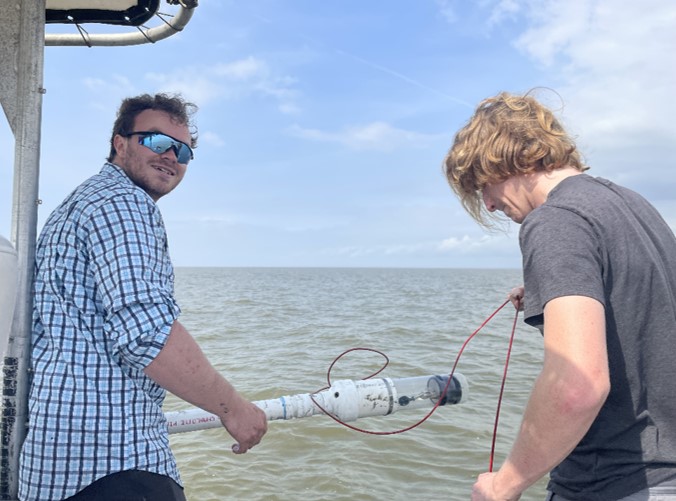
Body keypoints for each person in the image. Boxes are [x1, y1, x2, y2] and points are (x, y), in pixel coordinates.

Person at [18, 93, 268, 501]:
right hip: (111, 458)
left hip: (58, 459)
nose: (171, 156)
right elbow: (146, 332)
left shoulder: (81, 202)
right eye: (155, 141)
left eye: (183, 150)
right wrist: (232, 408)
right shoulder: (123, 203)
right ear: (120, 143)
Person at [443, 91, 676, 500]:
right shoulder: (633, 205)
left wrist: (504, 484)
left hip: (615, 484)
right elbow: (642, 307)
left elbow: (578, 385)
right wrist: (546, 289)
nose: (490, 204)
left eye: (483, 185)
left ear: (504, 159)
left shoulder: (554, 222)